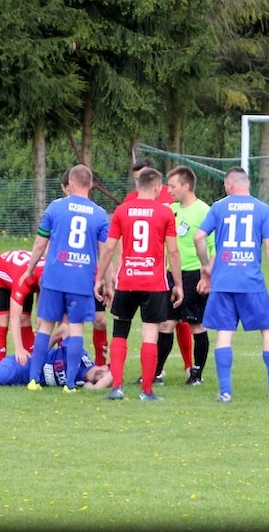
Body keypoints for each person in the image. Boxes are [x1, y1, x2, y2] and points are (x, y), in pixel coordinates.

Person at [193, 166, 269, 403]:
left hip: (223, 281)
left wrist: (205, 265)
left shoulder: (218, 207)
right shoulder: (262, 209)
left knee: (224, 332)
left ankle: (225, 392)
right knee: (268, 330)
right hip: (251, 282)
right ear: (247, 184)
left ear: (230, 184)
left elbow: (198, 236)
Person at [94, 167, 183, 401]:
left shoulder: (122, 210)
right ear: (157, 187)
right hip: (154, 283)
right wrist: (178, 284)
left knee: (120, 331)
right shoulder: (165, 213)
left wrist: (99, 278)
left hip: (127, 280)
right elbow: (173, 251)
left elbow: (109, 248)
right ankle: (147, 391)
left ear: (138, 186)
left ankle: (117, 388)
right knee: (150, 333)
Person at [21, 164, 110, 392]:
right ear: (91, 185)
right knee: (76, 328)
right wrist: (106, 282)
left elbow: (40, 243)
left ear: (70, 183)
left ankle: (33, 380)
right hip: (81, 280)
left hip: (54, 278)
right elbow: (105, 253)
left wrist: (30, 269)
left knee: (45, 327)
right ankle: (70, 384)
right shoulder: (100, 214)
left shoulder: (55, 207)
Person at [126, 158, 193, 381]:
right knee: (157, 322)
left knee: (181, 319)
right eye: (136, 179)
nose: (140, 183)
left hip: (173, 266)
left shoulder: (170, 196)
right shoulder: (131, 200)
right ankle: (156, 370)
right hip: (147, 269)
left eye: (143, 177)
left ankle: (189, 365)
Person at [154, 165, 215, 386]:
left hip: (194, 275)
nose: (168, 190)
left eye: (172, 186)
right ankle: (156, 373)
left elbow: (214, 247)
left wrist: (207, 276)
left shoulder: (204, 211)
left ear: (186, 186)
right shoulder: (170, 210)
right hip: (172, 275)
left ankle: (196, 374)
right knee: (165, 325)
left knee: (196, 325)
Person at [60, 169, 108, 366]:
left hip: (89, 275)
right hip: (65, 275)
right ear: (65, 188)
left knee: (100, 319)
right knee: (65, 322)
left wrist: (107, 278)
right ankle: (64, 364)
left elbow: (105, 249)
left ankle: (100, 364)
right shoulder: (58, 210)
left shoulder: (95, 212)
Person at [0, 249, 44, 362]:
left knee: (25, 320)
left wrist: (40, 318)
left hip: (22, 272)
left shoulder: (50, 278)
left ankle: (31, 364)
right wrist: (19, 348)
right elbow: (14, 316)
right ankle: (0, 367)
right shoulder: (24, 280)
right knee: (2, 321)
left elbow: (43, 293)